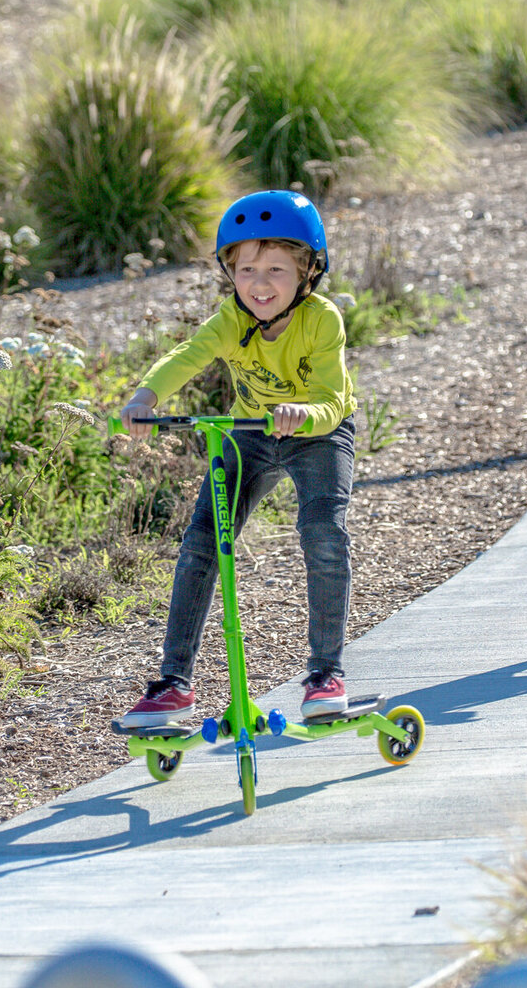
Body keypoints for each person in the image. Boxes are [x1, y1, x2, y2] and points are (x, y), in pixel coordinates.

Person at [116, 190, 357, 728]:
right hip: (248, 433)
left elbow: (334, 398)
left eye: (277, 268)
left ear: (307, 273)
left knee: (322, 532)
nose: (260, 283)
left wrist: (305, 412)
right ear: (230, 274)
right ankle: (174, 683)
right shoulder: (230, 317)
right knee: (203, 541)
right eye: (247, 269)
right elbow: (189, 355)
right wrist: (145, 399)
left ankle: (325, 674)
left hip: (317, 433)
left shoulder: (322, 321)